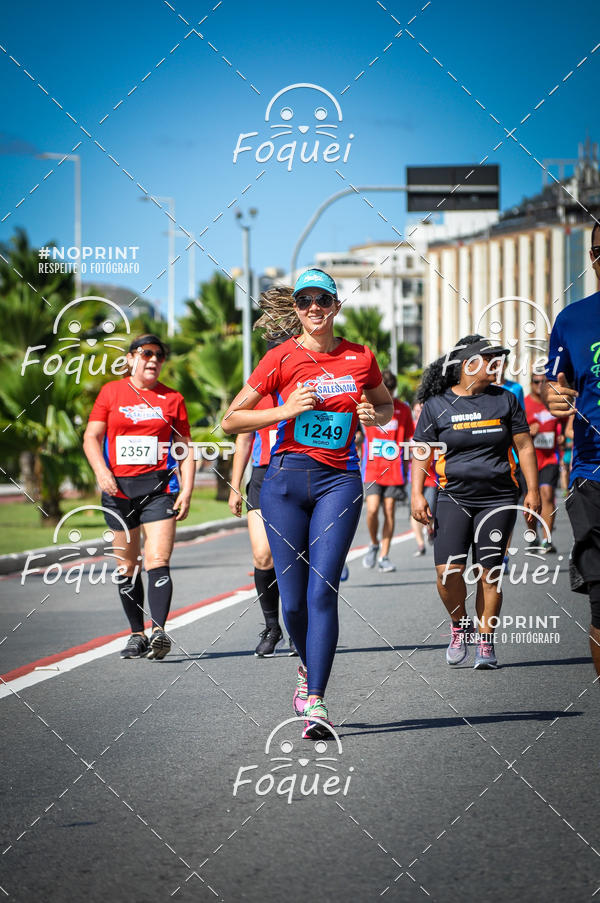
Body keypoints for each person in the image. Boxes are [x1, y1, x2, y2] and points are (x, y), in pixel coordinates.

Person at [222, 268, 392, 738]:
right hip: (285, 484)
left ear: (336, 305)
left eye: (322, 300)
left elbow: (385, 407)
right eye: (304, 301)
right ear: (295, 309)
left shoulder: (361, 357)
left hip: (339, 481)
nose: (313, 308)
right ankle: (304, 666)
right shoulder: (280, 357)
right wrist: (285, 410)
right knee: (293, 602)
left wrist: (371, 414)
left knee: (323, 591)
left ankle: (315, 699)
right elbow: (231, 421)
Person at [412, 335, 540, 670]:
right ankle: (459, 626)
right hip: (453, 496)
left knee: (490, 573)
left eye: (501, 358)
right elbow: (422, 452)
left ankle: (485, 641)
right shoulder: (437, 405)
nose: (499, 364)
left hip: (498, 496)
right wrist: (415, 493)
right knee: (447, 573)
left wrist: (533, 491)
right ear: (468, 364)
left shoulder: (506, 400)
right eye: (491, 358)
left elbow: (524, 446)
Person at [83, 334, 194, 660]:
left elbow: (184, 447)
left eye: (159, 355)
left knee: (158, 560)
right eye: (146, 353)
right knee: (127, 565)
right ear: (131, 358)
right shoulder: (111, 392)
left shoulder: (172, 398)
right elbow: (92, 437)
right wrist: (101, 472)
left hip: (159, 489)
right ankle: (137, 634)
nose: (154, 360)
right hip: (119, 490)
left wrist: (186, 488)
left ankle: (159, 631)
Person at [228, 287, 300, 657]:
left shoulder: (304, 382)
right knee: (263, 556)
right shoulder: (260, 386)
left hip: (299, 472)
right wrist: (235, 486)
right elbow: (241, 434)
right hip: (262, 473)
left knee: (294, 556)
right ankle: (272, 627)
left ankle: (296, 626)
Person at [543, 223, 600, 681]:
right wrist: (555, 398)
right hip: (591, 473)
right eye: (599, 251)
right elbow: (553, 388)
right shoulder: (571, 320)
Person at [361, 370, 414, 572]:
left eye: (391, 391)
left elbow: (410, 438)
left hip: (394, 469)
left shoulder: (403, 409)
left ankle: (384, 555)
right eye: (386, 390)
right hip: (372, 468)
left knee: (389, 510)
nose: (389, 395)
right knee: (372, 510)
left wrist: (410, 466)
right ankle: (374, 543)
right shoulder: (366, 406)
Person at [524, 373, 560, 553]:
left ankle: (547, 539)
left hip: (550, 457)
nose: (540, 385)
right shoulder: (524, 403)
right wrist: (529, 431)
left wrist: (561, 435)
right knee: (530, 500)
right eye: (536, 381)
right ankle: (533, 535)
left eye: (543, 382)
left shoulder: (554, 402)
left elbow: (565, 423)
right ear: (531, 384)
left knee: (547, 494)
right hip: (529, 460)